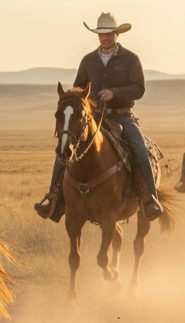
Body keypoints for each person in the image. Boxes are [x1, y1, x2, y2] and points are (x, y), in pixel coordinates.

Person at [34, 13, 163, 221]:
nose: (106, 38)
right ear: (98, 36)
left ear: (116, 34)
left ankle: (150, 199)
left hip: (122, 116)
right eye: (102, 34)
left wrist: (114, 93)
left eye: (109, 33)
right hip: (92, 117)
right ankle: (54, 199)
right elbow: (78, 88)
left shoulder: (131, 59)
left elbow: (139, 89)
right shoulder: (88, 60)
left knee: (140, 149)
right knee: (64, 149)